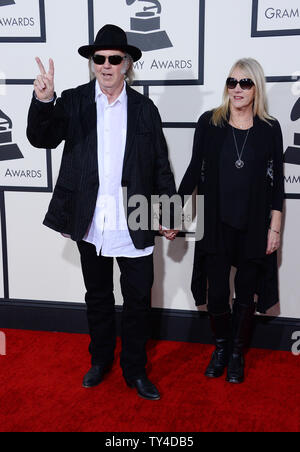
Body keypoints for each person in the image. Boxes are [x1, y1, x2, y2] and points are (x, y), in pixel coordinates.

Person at [27, 24, 177, 400]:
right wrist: (44, 100)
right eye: (99, 59)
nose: (106, 65)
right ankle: (100, 360)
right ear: (92, 63)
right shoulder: (75, 101)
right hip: (90, 217)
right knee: (97, 295)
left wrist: (172, 215)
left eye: (114, 59)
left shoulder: (144, 109)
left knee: (139, 300)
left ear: (127, 64)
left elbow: (161, 164)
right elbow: (40, 138)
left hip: (135, 217)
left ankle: (135, 370)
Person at [178, 58, 284, 384]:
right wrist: (167, 213)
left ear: (256, 88)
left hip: (254, 225)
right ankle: (221, 347)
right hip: (217, 223)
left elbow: (277, 183)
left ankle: (237, 353)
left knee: (246, 293)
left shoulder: (269, 128)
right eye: (231, 82)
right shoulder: (210, 123)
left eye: (245, 83)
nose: (237, 89)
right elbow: (194, 171)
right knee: (219, 294)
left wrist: (275, 228)